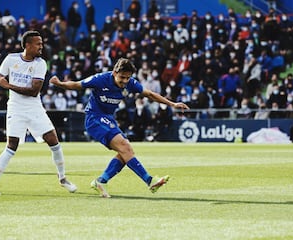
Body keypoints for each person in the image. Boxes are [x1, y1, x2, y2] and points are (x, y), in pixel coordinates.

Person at [50, 58, 189, 198]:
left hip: (108, 119)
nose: (125, 81)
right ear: (114, 72)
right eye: (122, 77)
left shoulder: (131, 84)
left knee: (126, 152)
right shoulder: (101, 79)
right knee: (125, 147)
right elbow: (77, 84)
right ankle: (149, 181)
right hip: (94, 118)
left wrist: (173, 104)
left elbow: (150, 94)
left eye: (128, 78)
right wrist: (60, 84)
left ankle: (101, 181)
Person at [0, 31, 77, 195]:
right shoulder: (11, 59)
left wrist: (8, 86)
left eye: (42, 44)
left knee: (53, 140)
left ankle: (63, 178)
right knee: (11, 145)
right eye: (38, 44)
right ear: (27, 45)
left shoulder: (40, 63)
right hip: (15, 108)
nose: (41, 47)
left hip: (35, 108)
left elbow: (34, 91)